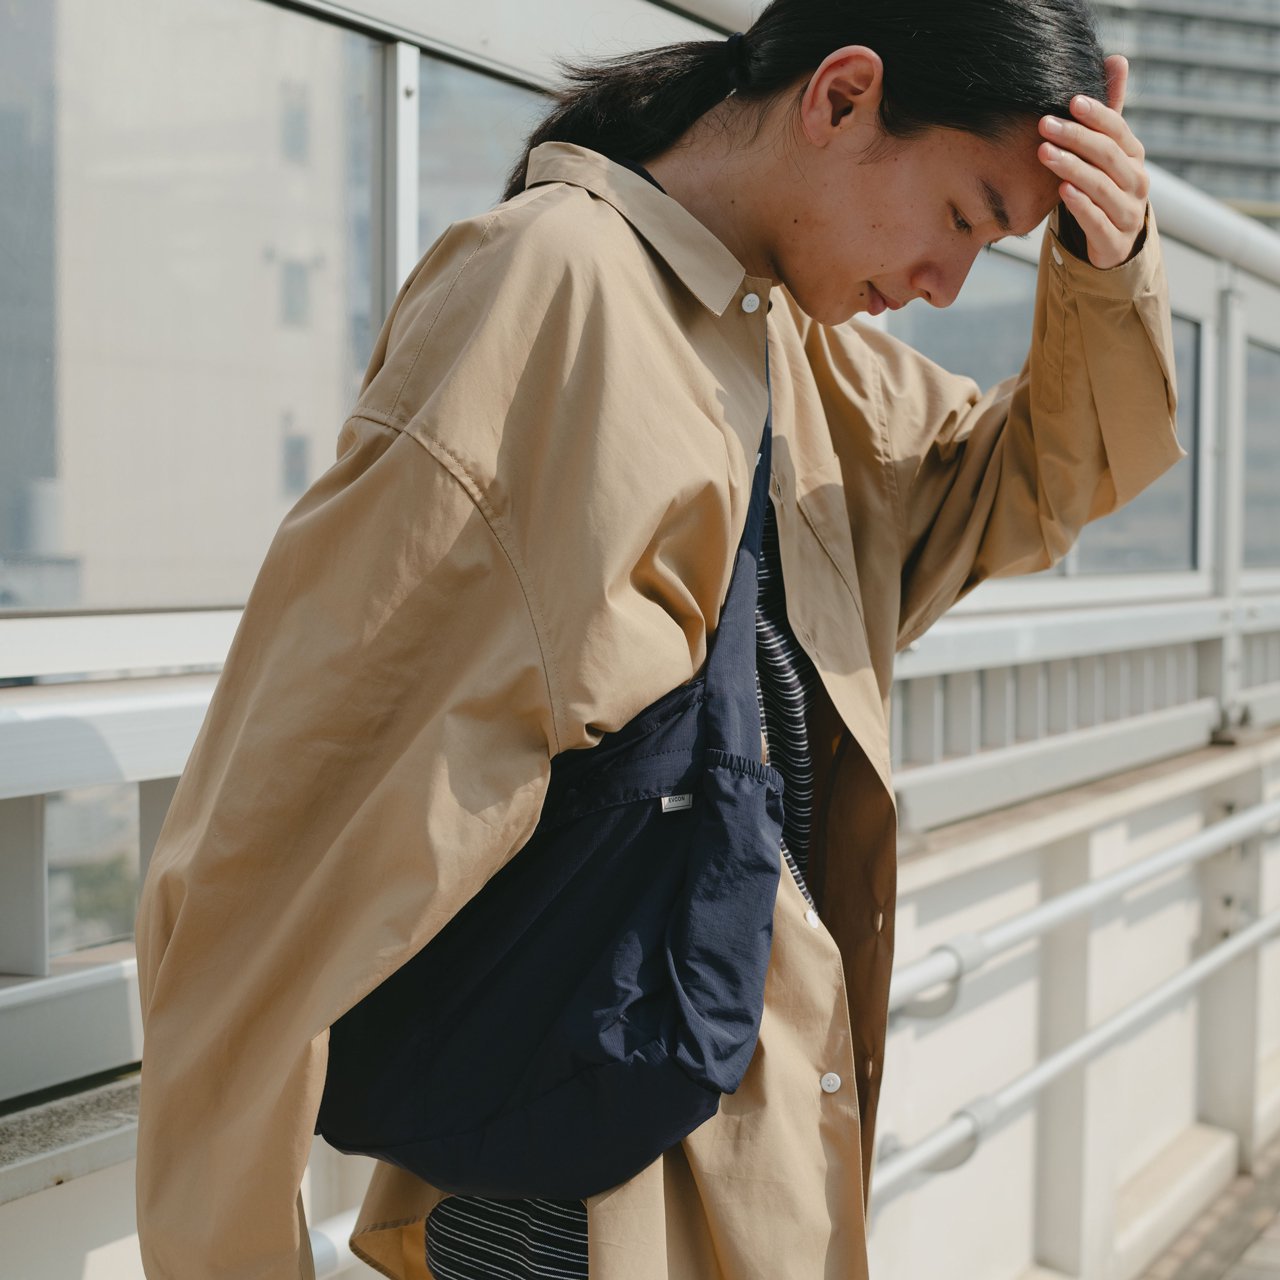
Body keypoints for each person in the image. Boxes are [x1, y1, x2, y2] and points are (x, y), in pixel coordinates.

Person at [133, 2, 1183, 1278]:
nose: (945, 284)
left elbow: (1025, 481)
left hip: (729, 1151)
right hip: (585, 1193)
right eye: (964, 216)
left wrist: (1100, 263)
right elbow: (279, 843)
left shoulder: (788, 340)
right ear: (842, 95)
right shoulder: (554, 292)